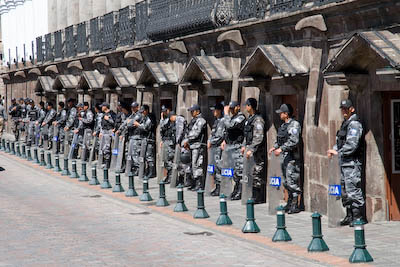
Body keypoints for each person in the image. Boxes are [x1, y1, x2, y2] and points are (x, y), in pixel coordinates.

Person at [327, 99, 365, 226]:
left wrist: (339, 153)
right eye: (342, 109)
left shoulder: (354, 124)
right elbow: (340, 142)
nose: (343, 111)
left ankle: (358, 216)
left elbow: (352, 145)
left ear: (351, 109)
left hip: (352, 163)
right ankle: (349, 215)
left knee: (353, 190)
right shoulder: (346, 123)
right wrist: (334, 149)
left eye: (345, 109)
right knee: (345, 191)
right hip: (344, 163)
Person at [269, 104, 302, 214]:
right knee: (286, 181)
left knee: (292, 180)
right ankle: (289, 202)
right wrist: (274, 147)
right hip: (284, 158)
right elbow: (279, 140)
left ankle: (295, 204)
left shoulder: (294, 125)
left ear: (286, 114)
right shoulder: (283, 126)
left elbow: (294, 141)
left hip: (291, 158)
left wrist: (281, 149)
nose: (279, 114)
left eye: (281, 112)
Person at [242, 98, 265, 204]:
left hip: (257, 152)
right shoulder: (250, 119)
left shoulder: (258, 120)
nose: (245, 107)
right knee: (250, 173)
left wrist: (251, 149)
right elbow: (247, 135)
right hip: (249, 150)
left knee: (256, 173)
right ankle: (252, 194)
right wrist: (244, 146)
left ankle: (258, 196)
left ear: (250, 106)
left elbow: (259, 137)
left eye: (246, 105)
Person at [222, 101, 246, 200]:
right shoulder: (232, 117)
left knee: (239, 170)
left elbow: (230, 125)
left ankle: (240, 190)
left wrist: (226, 114)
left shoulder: (241, 117)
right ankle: (236, 189)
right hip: (230, 146)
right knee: (234, 171)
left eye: (232, 108)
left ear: (238, 107)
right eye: (230, 109)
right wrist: (224, 140)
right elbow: (228, 130)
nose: (231, 110)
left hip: (238, 147)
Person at [183, 104, 207, 191]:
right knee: (191, 165)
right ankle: (193, 183)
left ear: (197, 111)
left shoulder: (201, 120)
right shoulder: (193, 120)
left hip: (198, 146)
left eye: (192, 111)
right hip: (191, 146)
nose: (191, 113)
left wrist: (187, 140)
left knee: (196, 164)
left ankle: (199, 184)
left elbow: (195, 133)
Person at [208, 103, 225, 196]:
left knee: (219, 167)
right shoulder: (217, 121)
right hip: (214, 147)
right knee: (215, 167)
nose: (213, 112)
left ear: (219, 110)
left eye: (215, 110)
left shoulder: (222, 121)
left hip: (218, 147)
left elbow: (220, 136)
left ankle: (220, 187)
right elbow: (213, 133)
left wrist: (212, 142)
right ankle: (216, 186)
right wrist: (209, 140)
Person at [160, 106, 175, 183]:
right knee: (165, 160)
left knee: (169, 160)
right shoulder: (166, 119)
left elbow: (162, 126)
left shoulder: (170, 119)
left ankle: (171, 176)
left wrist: (162, 119)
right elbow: (162, 129)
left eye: (165, 111)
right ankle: (169, 175)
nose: (164, 113)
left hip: (170, 142)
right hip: (166, 141)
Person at [99, 102, 116, 169]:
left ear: (106, 107)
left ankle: (107, 163)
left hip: (109, 131)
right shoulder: (103, 114)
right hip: (104, 131)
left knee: (107, 148)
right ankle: (104, 161)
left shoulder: (112, 113)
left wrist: (108, 119)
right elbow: (101, 124)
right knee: (103, 147)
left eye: (103, 106)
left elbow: (114, 122)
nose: (102, 108)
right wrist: (101, 132)